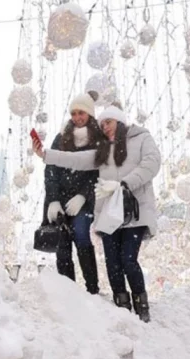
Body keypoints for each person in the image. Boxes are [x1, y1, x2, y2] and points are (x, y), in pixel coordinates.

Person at [33, 102, 161, 322]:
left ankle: (141, 304)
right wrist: (45, 155)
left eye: (108, 122)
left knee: (128, 260)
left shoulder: (141, 138)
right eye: (102, 125)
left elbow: (152, 164)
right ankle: (122, 305)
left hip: (134, 212)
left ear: (119, 121)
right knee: (113, 263)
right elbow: (76, 159)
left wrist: (123, 184)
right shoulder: (103, 150)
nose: (105, 127)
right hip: (109, 215)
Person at [43, 92, 104, 295]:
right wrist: (53, 200)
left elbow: (99, 172)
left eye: (81, 113)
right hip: (60, 199)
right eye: (74, 113)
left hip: (83, 201)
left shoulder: (98, 140)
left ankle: (92, 289)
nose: (77, 117)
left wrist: (84, 195)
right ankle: (68, 292)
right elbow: (51, 170)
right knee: (62, 242)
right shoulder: (61, 138)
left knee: (81, 234)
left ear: (90, 114)